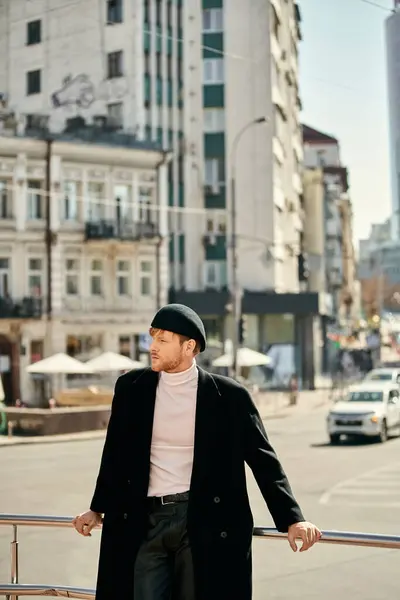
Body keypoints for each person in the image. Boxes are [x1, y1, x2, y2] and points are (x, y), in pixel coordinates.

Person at [73, 303, 321, 600]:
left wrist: (293, 518)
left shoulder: (229, 396)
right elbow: (114, 454)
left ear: (189, 346)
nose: (152, 347)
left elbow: (263, 460)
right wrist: (97, 507)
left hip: (203, 520)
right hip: (144, 518)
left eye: (162, 340)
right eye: (153, 338)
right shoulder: (131, 388)